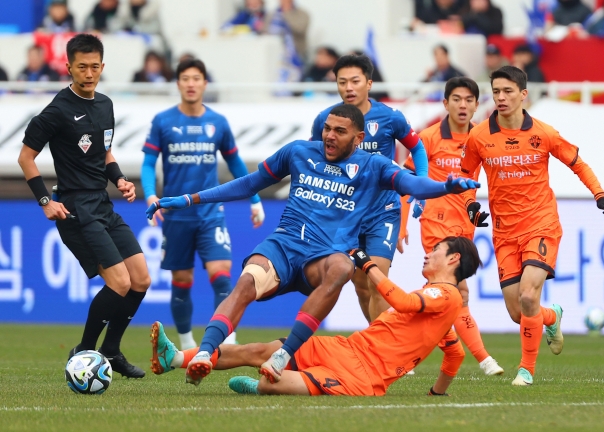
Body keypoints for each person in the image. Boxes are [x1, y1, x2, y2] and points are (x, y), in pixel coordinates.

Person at [145, 104, 480, 386]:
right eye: (327, 129)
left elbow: (412, 184)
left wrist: (443, 187)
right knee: (246, 281)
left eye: (339, 131)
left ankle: (284, 354)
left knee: (343, 267)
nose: (330, 136)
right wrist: (189, 199)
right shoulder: (298, 152)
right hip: (284, 245)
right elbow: (249, 183)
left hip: (321, 257)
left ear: (359, 138)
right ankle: (204, 351)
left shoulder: (374, 166)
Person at [150, 236, 481, 396]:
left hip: (362, 377)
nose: (429, 252)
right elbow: (454, 352)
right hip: (346, 349)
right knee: (260, 350)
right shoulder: (439, 308)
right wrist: (437, 393)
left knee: (270, 382)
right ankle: (174, 357)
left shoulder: (445, 294)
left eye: (436, 249)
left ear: (452, 259)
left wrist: (367, 265)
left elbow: (405, 302)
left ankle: (260, 388)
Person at [459, 66, 604, 386]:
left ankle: (526, 370)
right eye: (496, 91)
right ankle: (551, 316)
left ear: (523, 94)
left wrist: (600, 195)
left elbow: (577, 163)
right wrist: (471, 204)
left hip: (540, 224)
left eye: (507, 91)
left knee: (530, 295)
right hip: (504, 233)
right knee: (519, 313)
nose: (500, 97)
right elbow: (466, 177)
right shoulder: (479, 136)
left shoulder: (543, 133)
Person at [17, 33, 151, 378]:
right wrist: (46, 201)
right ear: (69, 68)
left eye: (94, 67)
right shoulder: (57, 110)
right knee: (119, 282)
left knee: (141, 279)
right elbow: (26, 157)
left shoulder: (105, 104)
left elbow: (104, 152)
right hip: (76, 208)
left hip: (103, 203)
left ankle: (111, 351)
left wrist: (119, 179)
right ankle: (84, 353)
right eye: (82, 67)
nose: (89, 73)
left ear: (102, 67)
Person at [141, 57, 265, 349]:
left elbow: (234, 161)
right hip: (177, 217)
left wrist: (255, 199)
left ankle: (228, 342)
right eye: (185, 79)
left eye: (196, 78)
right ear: (178, 84)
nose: (191, 84)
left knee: (222, 276)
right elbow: (148, 163)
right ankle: (186, 344)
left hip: (211, 214)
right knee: (182, 281)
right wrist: (150, 194)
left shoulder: (217, 122)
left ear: (205, 83)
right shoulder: (163, 121)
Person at [310, 54, 430, 323]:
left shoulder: (389, 117)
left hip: (382, 212)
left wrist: (420, 184)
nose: (349, 88)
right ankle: (378, 343)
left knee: (379, 282)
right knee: (361, 286)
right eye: (342, 82)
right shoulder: (324, 121)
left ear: (369, 83)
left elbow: (418, 148)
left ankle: (385, 354)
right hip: (345, 215)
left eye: (355, 81)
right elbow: (312, 162)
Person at [399, 77, 503, 376]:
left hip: (464, 227)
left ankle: (404, 350)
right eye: (456, 99)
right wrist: (404, 223)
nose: (463, 105)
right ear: (445, 103)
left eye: (469, 100)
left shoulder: (482, 138)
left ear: (476, 104)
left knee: (442, 298)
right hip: (436, 223)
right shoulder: (429, 138)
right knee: (458, 291)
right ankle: (484, 359)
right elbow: (406, 184)